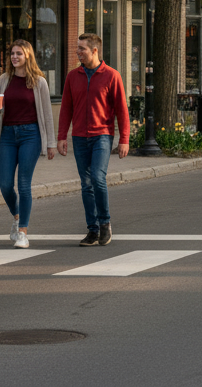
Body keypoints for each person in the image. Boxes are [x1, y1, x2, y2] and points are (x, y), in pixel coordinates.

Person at [57, 33, 129, 247]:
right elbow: (66, 108)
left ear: (95, 50)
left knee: (97, 178)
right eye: (77, 48)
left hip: (102, 136)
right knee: (86, 184)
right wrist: (62, 136)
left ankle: (105, 223)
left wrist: (124, 139)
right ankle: (92, 229)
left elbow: (121, 110)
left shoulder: (112, 75)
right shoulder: (73, 76)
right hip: (79, 137)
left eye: (82, 49)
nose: (78, 52)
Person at [0, 40, 56, 249]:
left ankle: (23, 232)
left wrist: (51, 143)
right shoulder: (4, 79)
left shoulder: (38, 82)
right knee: (5, 185)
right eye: (12, 53)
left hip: (31, 135)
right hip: (8, 135)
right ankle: (17, 216)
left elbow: (46, 115)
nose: (14, 57)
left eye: (19, 53)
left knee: (24, 184)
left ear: (28, 56)